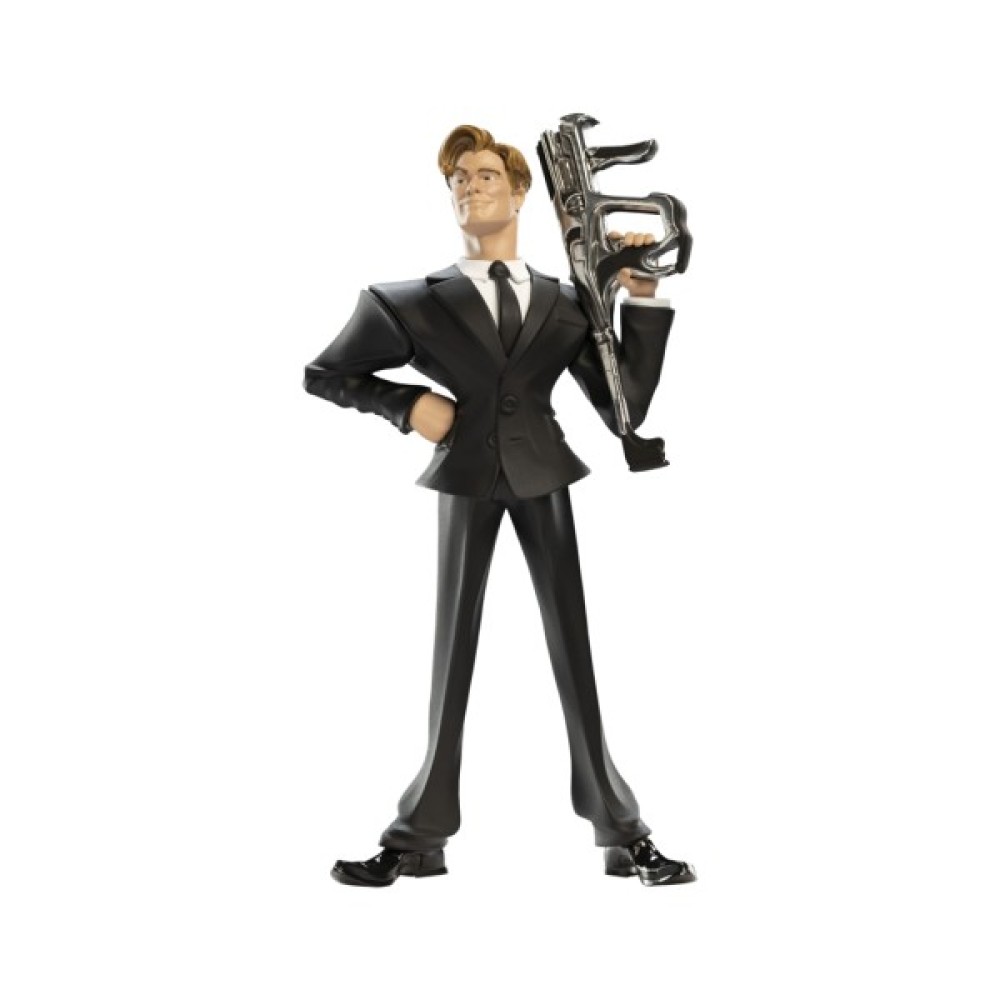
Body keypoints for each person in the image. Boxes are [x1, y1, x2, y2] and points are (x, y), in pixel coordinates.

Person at [305, 124, 695, 888]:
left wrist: (641, 301)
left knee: (574, 651)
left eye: (486, 175)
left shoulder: (567, 302)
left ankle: (621, 829)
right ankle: (420, 834)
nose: (470, 186)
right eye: (458, 177)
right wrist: (407, 403)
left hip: (544, 472)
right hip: (467, 474)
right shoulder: (410, 302)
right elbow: (325, 373)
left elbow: (626, 404)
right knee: (451, 655)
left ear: (520, 193)